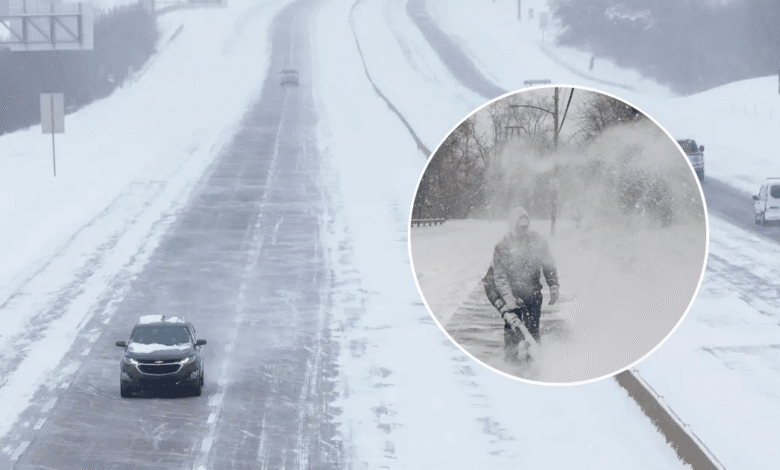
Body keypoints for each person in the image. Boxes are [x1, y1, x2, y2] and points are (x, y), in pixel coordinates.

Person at [490, 207, 559, 361]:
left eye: (525, 227)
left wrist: (553, 284)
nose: (523, 230)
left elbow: (548, 264)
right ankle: (510, 363)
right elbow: (500, 276)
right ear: (512, 225)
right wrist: (509, 299)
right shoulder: (503, 246)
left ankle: (534, 363)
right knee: (511, 333)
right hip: (513, 297)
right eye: (519, 227)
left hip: (533, 295)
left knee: (533, 332)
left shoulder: (537, 241)